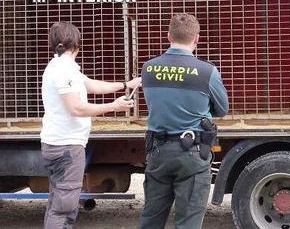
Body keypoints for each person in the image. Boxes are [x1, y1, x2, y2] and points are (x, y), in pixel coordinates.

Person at [41, 21, 141, 229]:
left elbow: (91, 85)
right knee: (64, 207)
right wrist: (114, 107)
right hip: (66, 146)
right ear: (76, 44)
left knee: (58, 202)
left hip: (60, 144)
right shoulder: (62, 70)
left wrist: (125, 85)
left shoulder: (63, 67)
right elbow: (76, 108)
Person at [139, 13, 229, 229]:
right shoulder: (207, 72)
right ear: (196, 38)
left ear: (169, 36)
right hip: (192, 154)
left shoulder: (149, 68)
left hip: (158, 153)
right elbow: (222, 109)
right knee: (188, 221)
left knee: (151, 218)